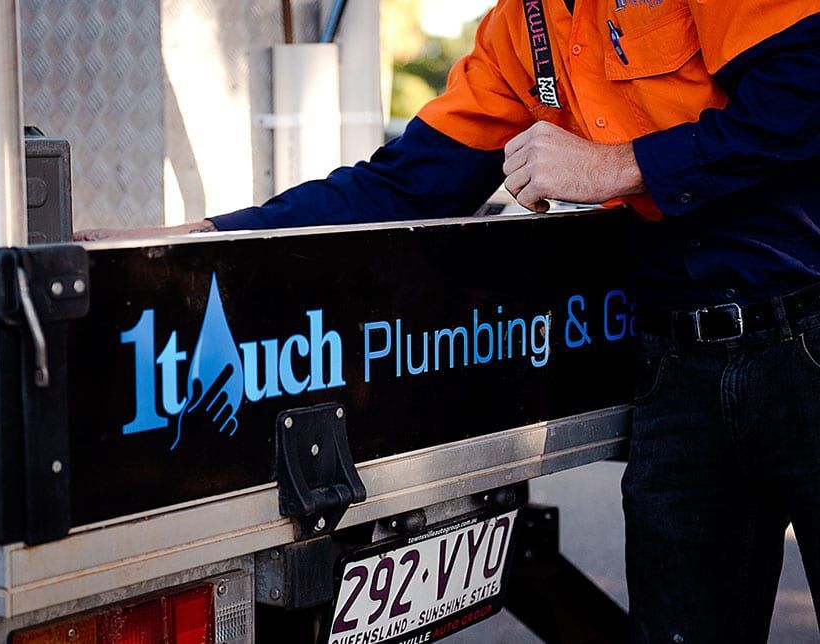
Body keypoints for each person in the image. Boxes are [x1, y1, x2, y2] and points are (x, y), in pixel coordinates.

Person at [78, 1, 820, 640]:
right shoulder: (520, 31)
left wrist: (616, 166)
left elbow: (803, 90)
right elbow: (402, 186)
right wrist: (191, 239)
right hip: (679, 375)